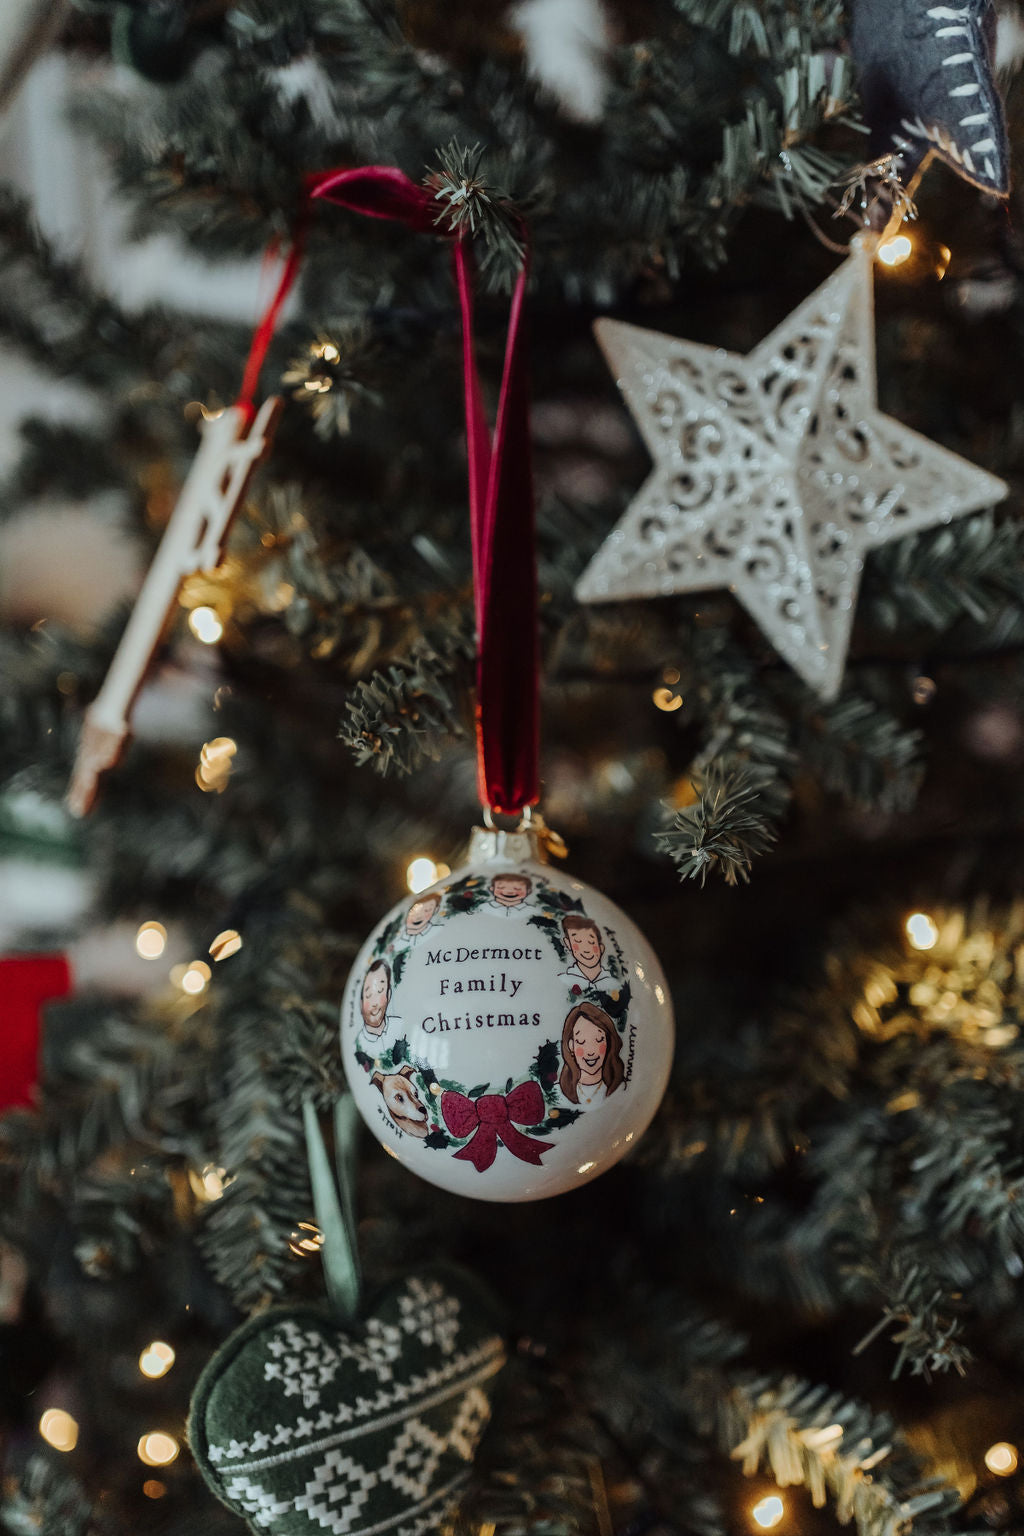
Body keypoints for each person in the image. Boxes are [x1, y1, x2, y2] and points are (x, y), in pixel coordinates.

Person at [559, 1002, 625, 1108]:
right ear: (571, 1046)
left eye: (599, 1040)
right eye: (581, 1041)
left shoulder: (620, 1088)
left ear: (608, 1042)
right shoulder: (562, 1093)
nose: (590, 1052)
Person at [558, 914, 615, 990]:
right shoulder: (564, 979)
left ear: (601, 948)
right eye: (578, 941)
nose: (586, 950)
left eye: (591, 942)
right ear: (568, 944)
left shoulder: (613, 984)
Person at [359, 957, 393, 1042]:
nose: (374, 1003)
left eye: (380, 990)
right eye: (368, 995)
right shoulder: (357, 1044)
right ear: (361, 1003)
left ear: (388, 995)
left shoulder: (399, 1025)